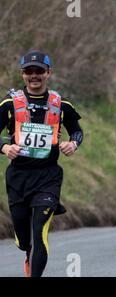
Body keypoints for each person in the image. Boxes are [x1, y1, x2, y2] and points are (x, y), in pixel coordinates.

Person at [0, 50, 83, 277]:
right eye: (29, 71)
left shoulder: (61, 105)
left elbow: (77, 132)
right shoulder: (9, 104)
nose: (34, 76)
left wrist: (73, 145)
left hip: (48, 177)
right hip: (18, 177)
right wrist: (5, 147)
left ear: (48, 73)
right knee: (24, 239)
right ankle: (25, 248)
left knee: (39, 234)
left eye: (39, 71)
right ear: (22, 74)